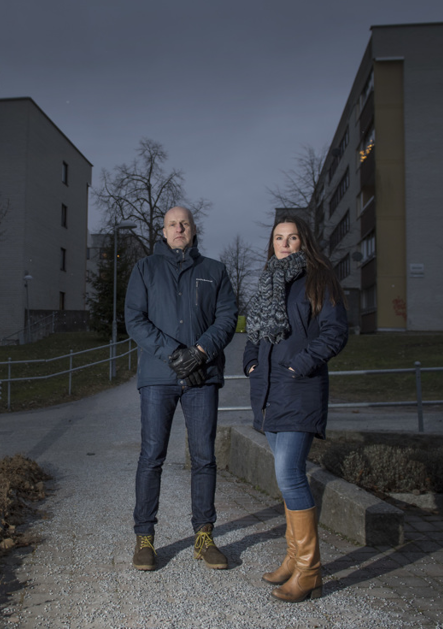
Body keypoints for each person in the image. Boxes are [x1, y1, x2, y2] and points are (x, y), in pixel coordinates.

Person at [124, 206, 238, 571]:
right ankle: (144, 538)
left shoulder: (214, 271)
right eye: (172, 224)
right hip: (158, 378)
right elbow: (134, 319)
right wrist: (175, 354)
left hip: (201, 378)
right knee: (152, 456)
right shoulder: (145, 269)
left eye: (184, 223)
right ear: (163, 230)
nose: (179, 228)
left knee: (204, 457)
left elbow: (227, 318)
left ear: (193, 229)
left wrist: (199, 353)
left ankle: (203, 535)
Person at [243, 215, 348, 602]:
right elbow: (253, 334)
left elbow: (335, 333)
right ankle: (292, 560)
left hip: (300, 390)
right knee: (285, 477)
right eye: (278, 238)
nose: (284, 244)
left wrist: (298, 364)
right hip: (269, 394)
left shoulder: (320, 281)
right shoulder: (268, 283)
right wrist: (251, 364)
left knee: (290, 475)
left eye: (292, 238)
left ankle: (310, 572)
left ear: (305, 242)